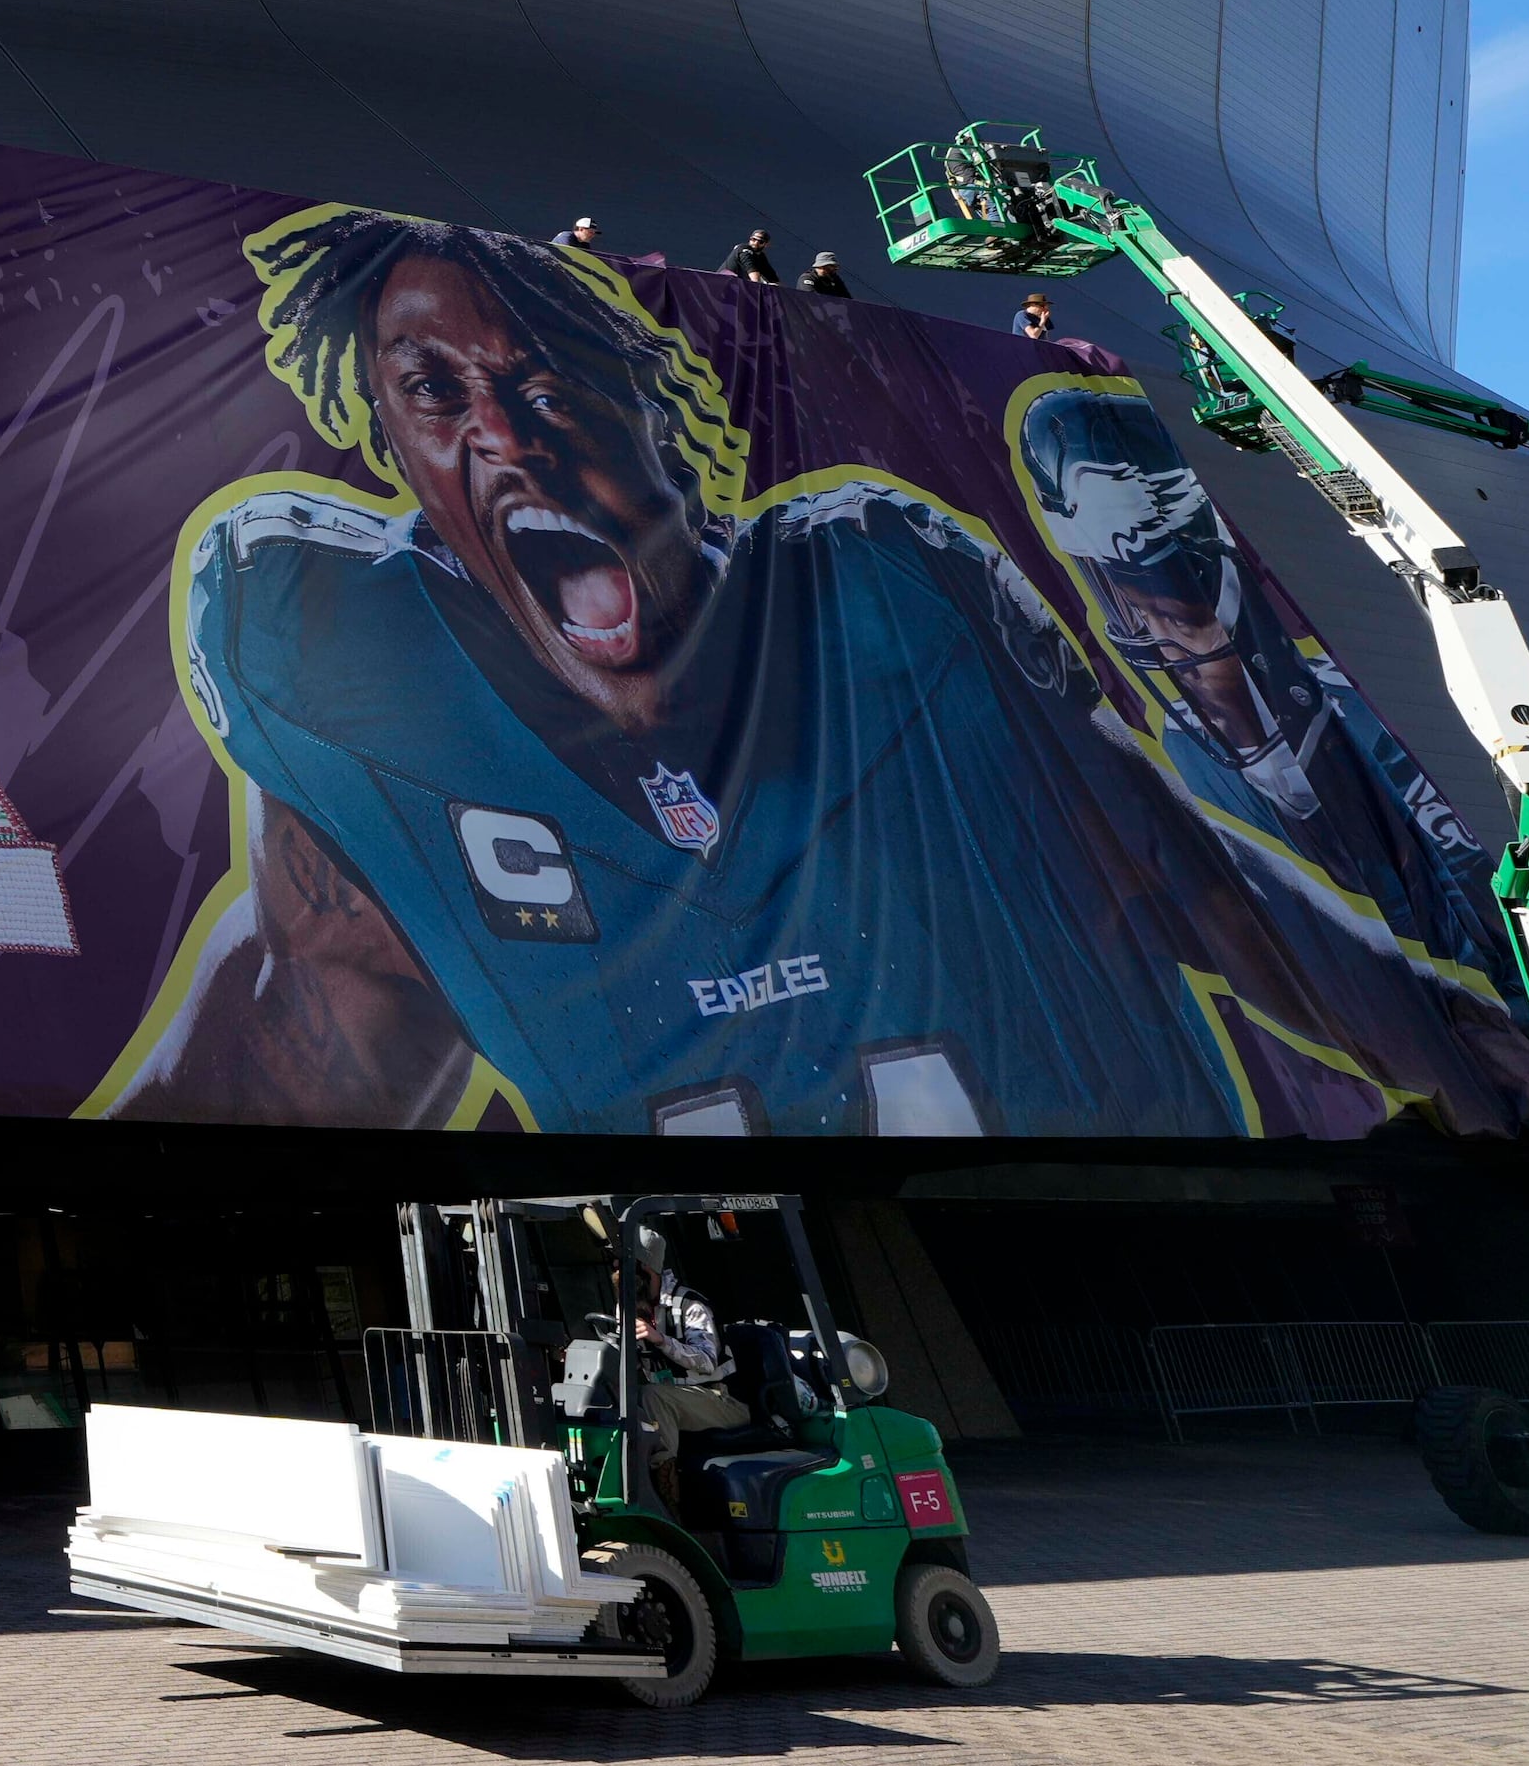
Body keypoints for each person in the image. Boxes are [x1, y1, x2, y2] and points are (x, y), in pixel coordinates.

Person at [110, 207, 1263, 1139]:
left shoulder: (882, 602)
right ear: (394, 445)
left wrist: (1442, 1019)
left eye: (551, 390)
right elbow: (281, 1052)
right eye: (433, 393)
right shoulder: (346, 674)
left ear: (656, 418)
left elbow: (1207, 894)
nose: (508, 439)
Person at [1009, 380, 1529, 1134]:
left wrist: (1520, 1030)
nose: (1167, 615)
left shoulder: (1342, 718)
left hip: (1495, 1088)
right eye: (1137, 577)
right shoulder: (1162, 770)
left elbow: (1457, 883)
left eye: (1171, 570)